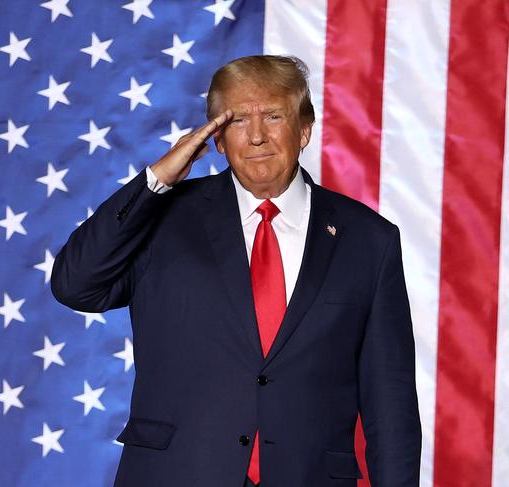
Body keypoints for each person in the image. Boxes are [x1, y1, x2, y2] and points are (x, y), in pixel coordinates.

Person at [51, 55, 422, 487]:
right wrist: (155, 181)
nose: (258, 136)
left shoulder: (369, 239)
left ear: (304, 129)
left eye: (273, 116)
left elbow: (390, 401)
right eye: (239, 120)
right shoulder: (162, 217)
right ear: (219, 139)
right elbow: (75, 286)